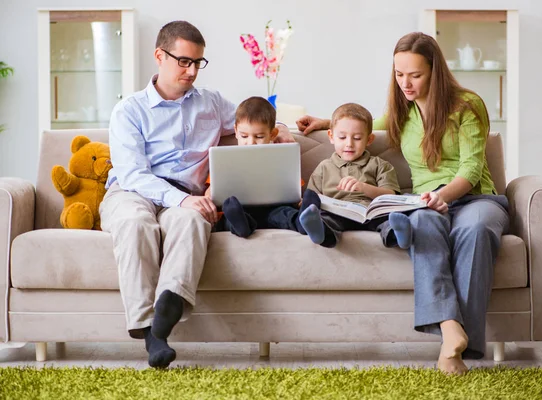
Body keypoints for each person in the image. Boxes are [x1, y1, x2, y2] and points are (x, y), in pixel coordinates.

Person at [296, 32, 510, 375]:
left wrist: (444, 196)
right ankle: (449, 328)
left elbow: (471, 167)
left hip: (473, 197)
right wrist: (325, 122)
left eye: (415, 75)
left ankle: (460, 346)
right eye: (399, 74)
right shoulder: (402, 110)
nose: (405, 83)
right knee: (421, 226)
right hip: (422, 200)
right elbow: (370, 125)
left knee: (475, 229)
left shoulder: (467, 105)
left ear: (434, 71)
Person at [99, 21, 293, 369]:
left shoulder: (213, 103)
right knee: (135, 223)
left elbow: (254, 120)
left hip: (187, 197)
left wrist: (287, 131)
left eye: (198, 63)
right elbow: (132, 173)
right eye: (184, 61)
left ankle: (168, 307)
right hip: (132, 192)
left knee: (193, 221)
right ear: (160, 56)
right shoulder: (129, 110)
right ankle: (149, 331)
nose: (191, 71)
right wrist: (181, 199)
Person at [208, 96, 322, 240]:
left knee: (285, 214)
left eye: (259, 136)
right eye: (244, 136)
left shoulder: (280, 156)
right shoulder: (225, 158)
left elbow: (293, 188)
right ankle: (241, 226)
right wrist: (209, 193)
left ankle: (303, 221)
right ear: (235, 131)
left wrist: (299, 199)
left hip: (273, 209)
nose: (251, 142)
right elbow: (213, 188)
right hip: (242, 211)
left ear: (273, 134)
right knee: (228, 217)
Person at [302, 102, 413, 249]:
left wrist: (363, 187)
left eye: (357, 138)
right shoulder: (324, 167)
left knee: (386, 218)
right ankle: (320, 232)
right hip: (337, 213)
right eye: (342, 137)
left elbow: (390, 194)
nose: (349, 144)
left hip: (370, 212)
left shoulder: (380, 165)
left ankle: (398, 234)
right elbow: (313, 197)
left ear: (369, 140)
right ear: (331, 136)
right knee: (326, 218)